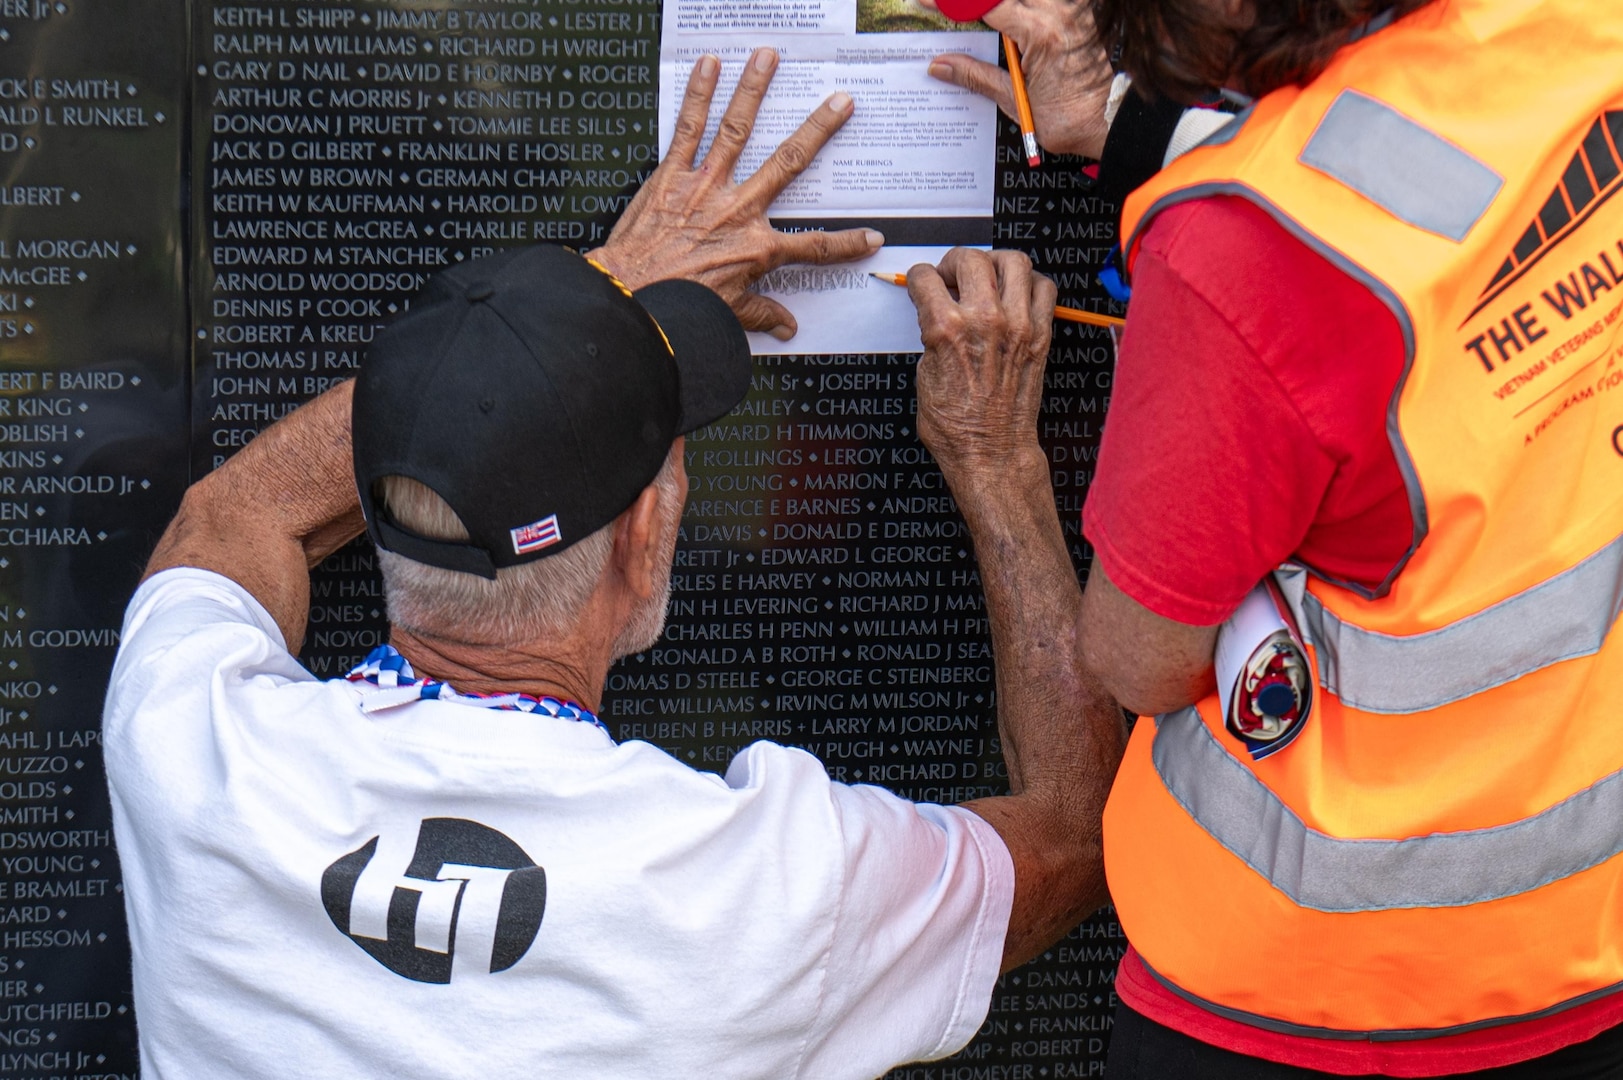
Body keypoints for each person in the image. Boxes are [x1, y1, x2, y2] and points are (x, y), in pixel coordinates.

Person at [101, 52, 1125, 1079]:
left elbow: (234, 516)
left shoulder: (196, 757)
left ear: (375, 510)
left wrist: (584, 304)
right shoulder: (768, 892)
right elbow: (1076, 839)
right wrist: (996, 461)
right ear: (648, 533)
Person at [907, 0, 1623, 1076]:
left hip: (1317, 989)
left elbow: (1140, 659)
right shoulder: (1579, 31)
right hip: (1587, 934)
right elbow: (1424, 192)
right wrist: (1128, 130)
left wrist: (1000, 459)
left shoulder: (1235, 255)